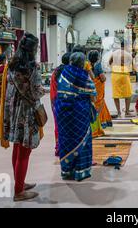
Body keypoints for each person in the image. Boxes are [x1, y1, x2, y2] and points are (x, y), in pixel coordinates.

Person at [0, 32, 44, 202]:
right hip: (26, 112)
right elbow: (36, 92)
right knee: (25, 150)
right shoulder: (32, 67)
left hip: (13, 110)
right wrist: (41, 91)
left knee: (18, 147)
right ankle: (19, 191)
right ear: (33, 49)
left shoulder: (11, 65)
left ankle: (20, 182)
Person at [54, 52, 97, 181]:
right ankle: (80, 171)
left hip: (63, 112)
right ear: (83, 63)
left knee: (66, 138)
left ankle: (66, 171)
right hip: (79, 112)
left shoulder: (64, 72)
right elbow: (93, 97)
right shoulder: (83, 76)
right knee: (82, 140)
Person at [50, 52, 71, 156]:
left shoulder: (55, 72)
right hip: (67, 103)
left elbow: (52, 89)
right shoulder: (69, 72)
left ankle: (58, 148)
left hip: (55, 102)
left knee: (58, 126)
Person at [89, 50, 112, 128]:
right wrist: (104, 78)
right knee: (100, 103)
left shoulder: (87, 65)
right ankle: (101, 121)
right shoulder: (98, 65)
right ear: (97, 57)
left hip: (91, 87)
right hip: (98, 88)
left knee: (94, 103)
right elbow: (102, 78)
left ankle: (95, 121)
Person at [109, 41, 134, 117]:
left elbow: (109, 62)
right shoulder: (128, 54)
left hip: (115, 74)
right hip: (124, 74)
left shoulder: (114, 53)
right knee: (128, 93)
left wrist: (114, 67)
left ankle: (119, 112)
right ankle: (126, 112)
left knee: (116, 93)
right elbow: (131, 64)